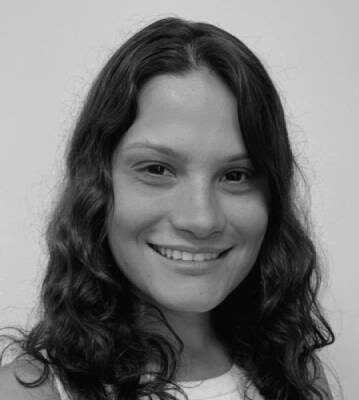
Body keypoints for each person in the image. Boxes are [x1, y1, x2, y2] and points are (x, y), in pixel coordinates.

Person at [0, 17, 335, 400]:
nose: (201, 219)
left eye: (237, 175)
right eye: (157, 169)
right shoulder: (26, 392)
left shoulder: (296, 373)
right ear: (97, 185)